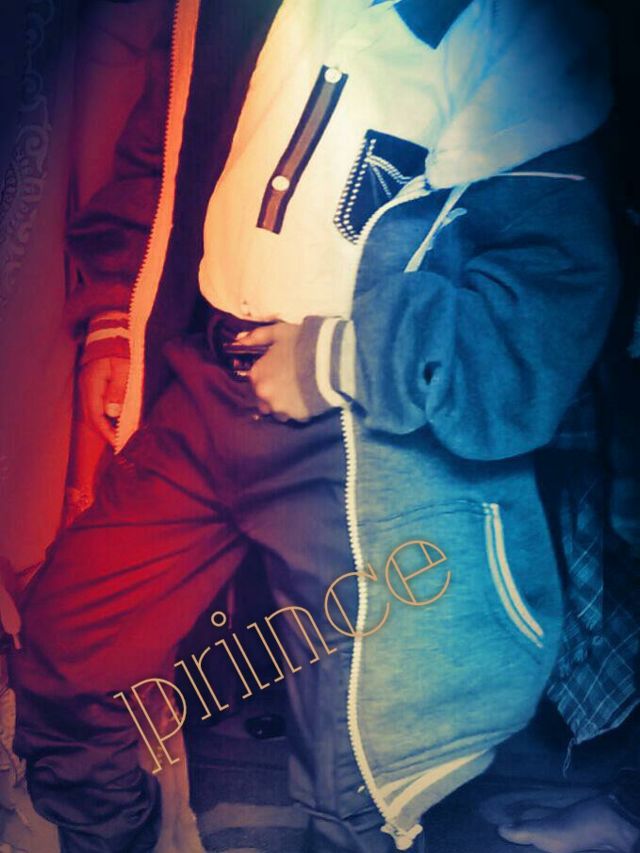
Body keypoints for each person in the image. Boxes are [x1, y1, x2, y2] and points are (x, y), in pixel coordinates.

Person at [9, 0, 620, 851]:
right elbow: (166, 145)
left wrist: (341, 355)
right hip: (205, 377)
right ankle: (113, 837)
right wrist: (117, 306)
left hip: (359, 433)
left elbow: (540, 318)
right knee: (69, 643)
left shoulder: (512, 32)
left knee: (360, 760)